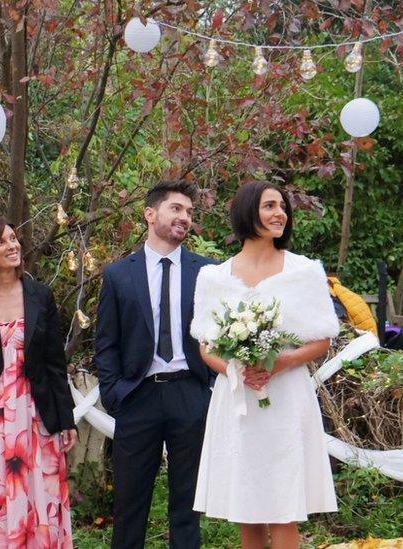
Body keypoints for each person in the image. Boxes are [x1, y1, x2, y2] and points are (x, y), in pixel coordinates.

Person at [189, 181, 339, 549]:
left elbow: (322, 339)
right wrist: (237, 370)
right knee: (246, 503)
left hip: (285, 396)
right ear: (247, 211)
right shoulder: (214, 277)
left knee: (284, 503)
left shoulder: (303, 271)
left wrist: (282, 362)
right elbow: (206, 347)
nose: (280, 214)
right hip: (238, 400)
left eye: (283, 207)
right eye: (270, 206)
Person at [95, 180, 216, 548]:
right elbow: (106, 342)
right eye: (176, 209)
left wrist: (206, 386)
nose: (185, 217)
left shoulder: (206, 272)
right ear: (150, 214)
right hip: (137, 396)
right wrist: (114, 394)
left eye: (190, 212)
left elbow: (218, 332)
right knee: (130, 503)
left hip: (189, 394)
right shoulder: (118, 275)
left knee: (187, 503)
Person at [0, 216, 77, 548]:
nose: (13, 246)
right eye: (2, 241)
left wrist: (66, 419)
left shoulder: (40, 295)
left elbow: (54, 362)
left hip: (37, 415)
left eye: (14, 238)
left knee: (39, 494)